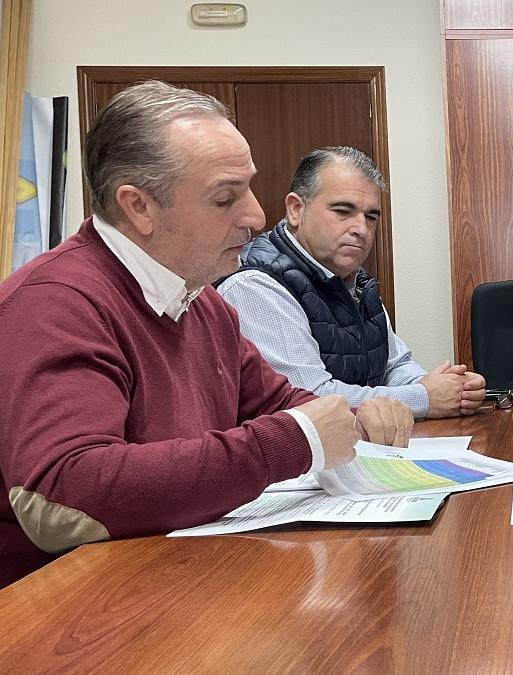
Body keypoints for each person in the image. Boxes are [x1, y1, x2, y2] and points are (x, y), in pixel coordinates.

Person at [0, 81, 413, 587]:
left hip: (178, 577)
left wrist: (353, 417)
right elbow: (66, 492)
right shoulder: (55, 302)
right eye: (225, 198)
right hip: (69, 610)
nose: (256, 217)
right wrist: (295, 441)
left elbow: (280, 403)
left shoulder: (200, 298)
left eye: (249, 188)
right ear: (139, 207)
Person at [217, 147, 485, 419]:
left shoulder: (354, 280)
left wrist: (448, 388)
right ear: (296, 210)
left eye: (371, 216)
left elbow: (393, 365)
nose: (361, 229)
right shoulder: (255, 286)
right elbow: (309, 400)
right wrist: (425, 398)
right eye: (343, 211)